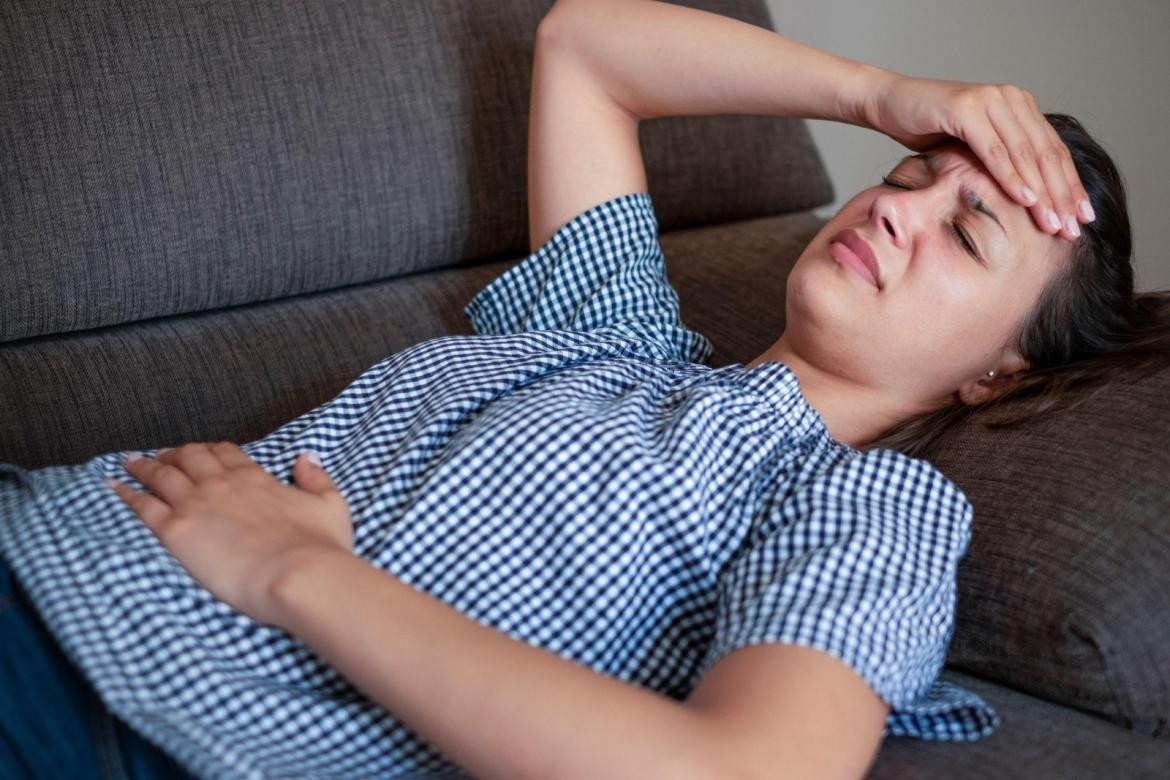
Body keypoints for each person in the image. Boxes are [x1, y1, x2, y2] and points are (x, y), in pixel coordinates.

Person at [2, 0, 1165, 778]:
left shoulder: (865, 513)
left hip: (112, 697)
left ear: (1001, 370)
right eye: (909, 176)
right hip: (39, 522)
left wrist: (295, 571)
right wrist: (881, 93)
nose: (896, 206)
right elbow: (583, 46)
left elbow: (742, 772)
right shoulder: (613, 336)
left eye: (966, 234)